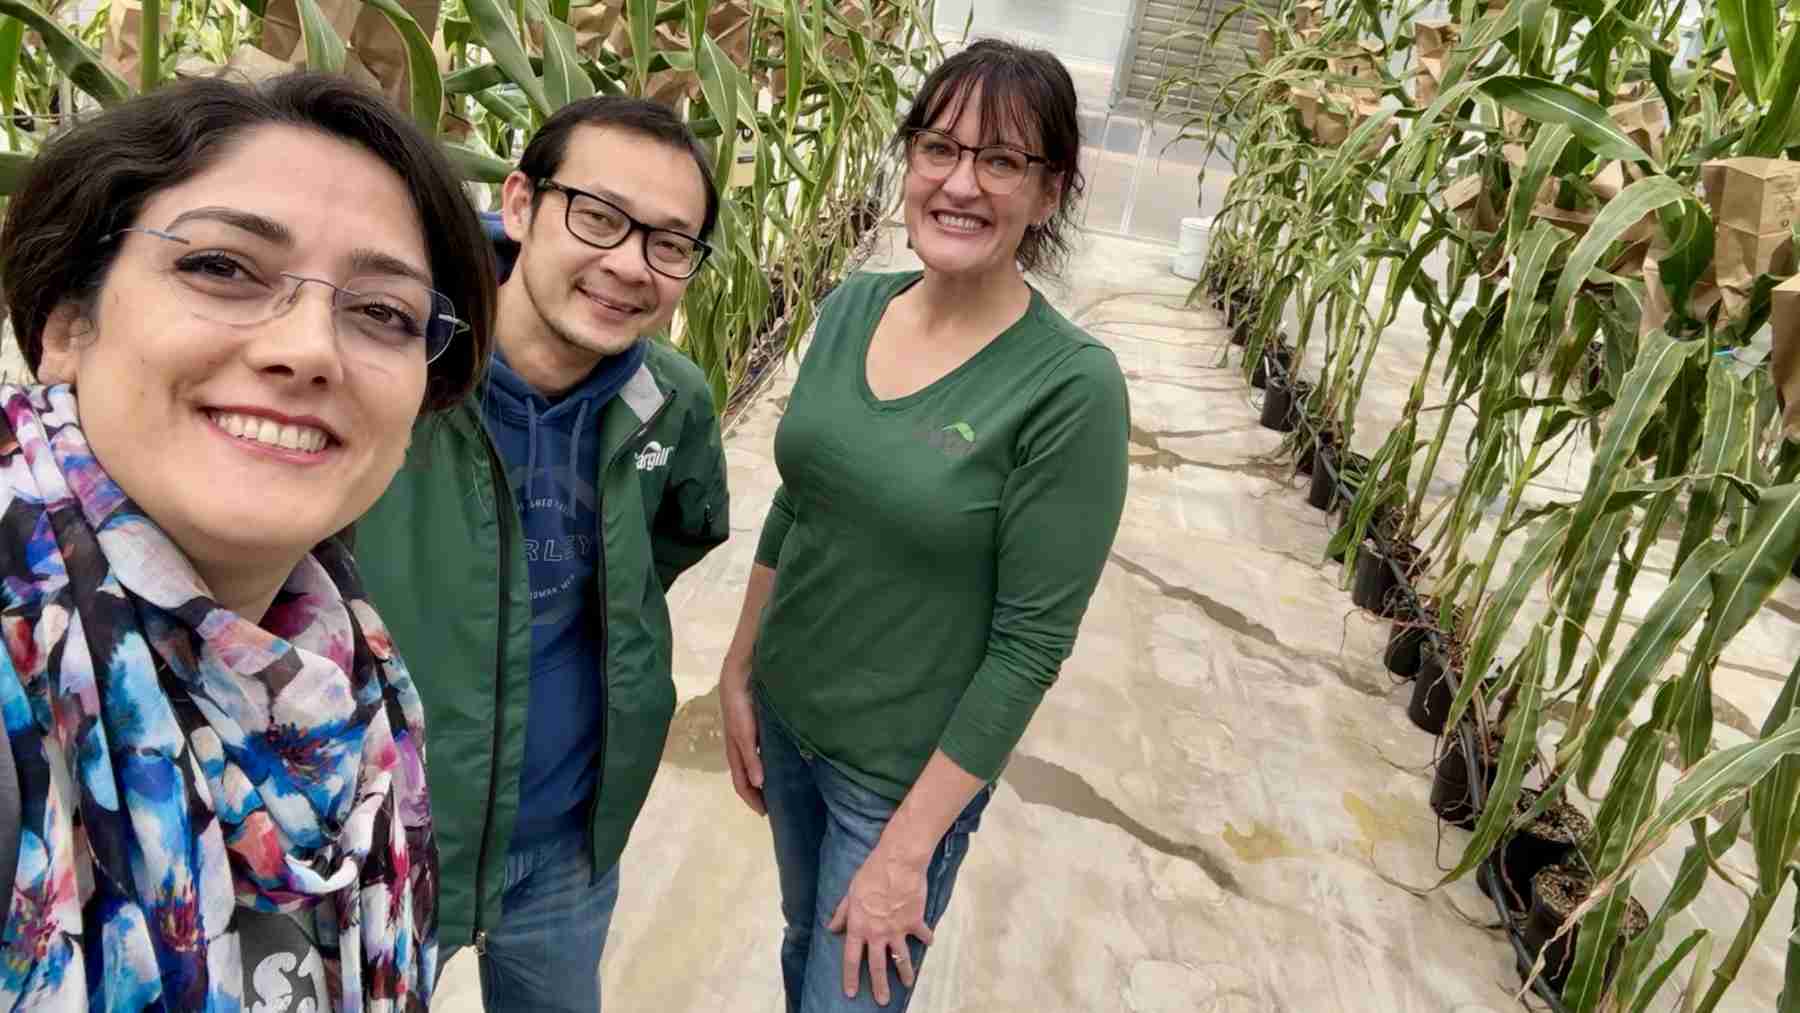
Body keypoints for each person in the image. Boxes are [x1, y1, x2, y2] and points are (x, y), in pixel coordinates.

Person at [0, 72, 496, 1009]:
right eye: (221, 268)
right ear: (68, 325)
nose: (310, 348)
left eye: (383, 313)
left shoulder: (352, 672)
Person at [716, 39, 1131, 1013]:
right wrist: (739, 669)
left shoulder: (1069, 387)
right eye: (938, 147)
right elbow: (800, 498)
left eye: (1002, 160)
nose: (960, 182)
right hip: (788, 718)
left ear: (1050, 192)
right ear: (907, 160)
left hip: (897, 784)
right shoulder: (856, 303)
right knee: (800, 942)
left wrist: (906, 854)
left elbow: (1030, 646)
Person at [355, 96, 730, 1011]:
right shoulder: (397, 371)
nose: (628, 265)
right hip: (389, 845)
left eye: (669, 244)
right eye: (598, 217)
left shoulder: (670, 401)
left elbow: (676, 536)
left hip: (568, 846)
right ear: (520, 204)